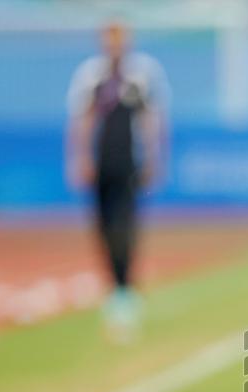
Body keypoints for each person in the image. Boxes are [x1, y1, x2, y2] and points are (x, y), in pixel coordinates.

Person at [66, 21, 169, 341]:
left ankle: (124, 290)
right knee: (104, 227)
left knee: (125, 226)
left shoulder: (142, 74)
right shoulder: (91, 75)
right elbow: (81, 120)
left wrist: (154, 159)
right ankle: (116, 286)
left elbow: (154, 119)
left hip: (129, 162)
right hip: (102, 162)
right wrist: (80, 158)